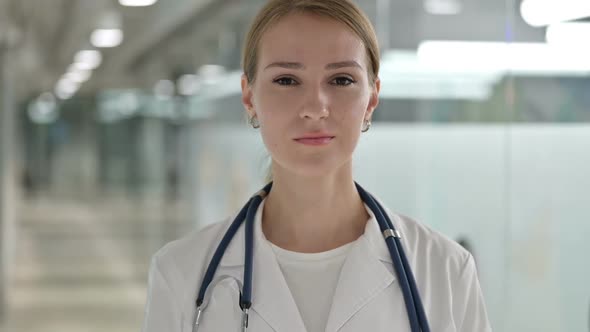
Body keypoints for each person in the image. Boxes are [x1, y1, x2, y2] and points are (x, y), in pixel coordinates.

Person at [141, 1, 492, 331]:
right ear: (249, 98)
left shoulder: (445, 271)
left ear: (371, 99)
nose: (315, 107)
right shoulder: (180, 274)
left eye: (341, 80)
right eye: (286, 80)